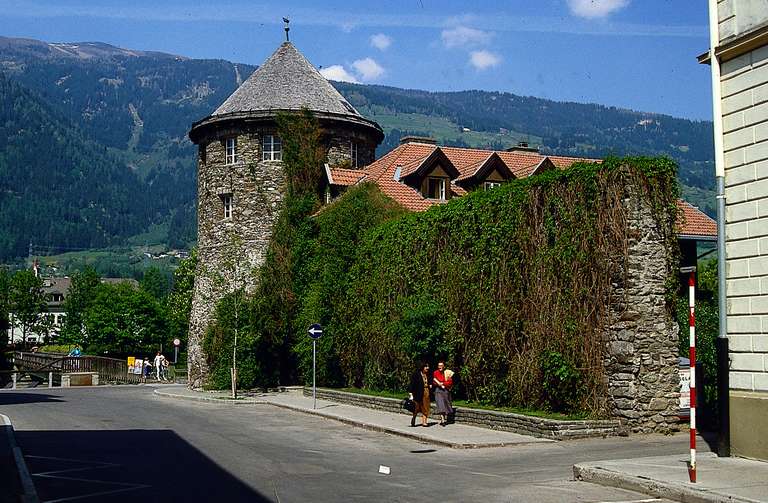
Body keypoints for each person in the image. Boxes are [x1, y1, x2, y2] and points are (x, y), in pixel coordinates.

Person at [408, 362, 432, 427]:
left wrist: (430, 385)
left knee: (425, 407)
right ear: (422, 367)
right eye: (426, 366)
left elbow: (430, 381)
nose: (427, 368)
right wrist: (410, 392)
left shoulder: (428, 374)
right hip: (418, 393)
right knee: (417, 407)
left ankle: (424, 422)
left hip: (426, 392)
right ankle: (414, 417)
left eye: (428, 366)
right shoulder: (416, 374)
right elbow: (412, 383)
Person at [433, 361, 454, 426]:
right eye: (439, 366)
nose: (440, 367)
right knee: (440, 404)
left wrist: (442, 383)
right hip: (438, 391)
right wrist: (439, 384)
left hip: (445, 390)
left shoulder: (447, 372)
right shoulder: (435, 372)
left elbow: (450, 382)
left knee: (445, 405)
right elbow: (434, 382)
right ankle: (442, 419)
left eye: (441, 366)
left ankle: (444, 418)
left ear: (444, 366)